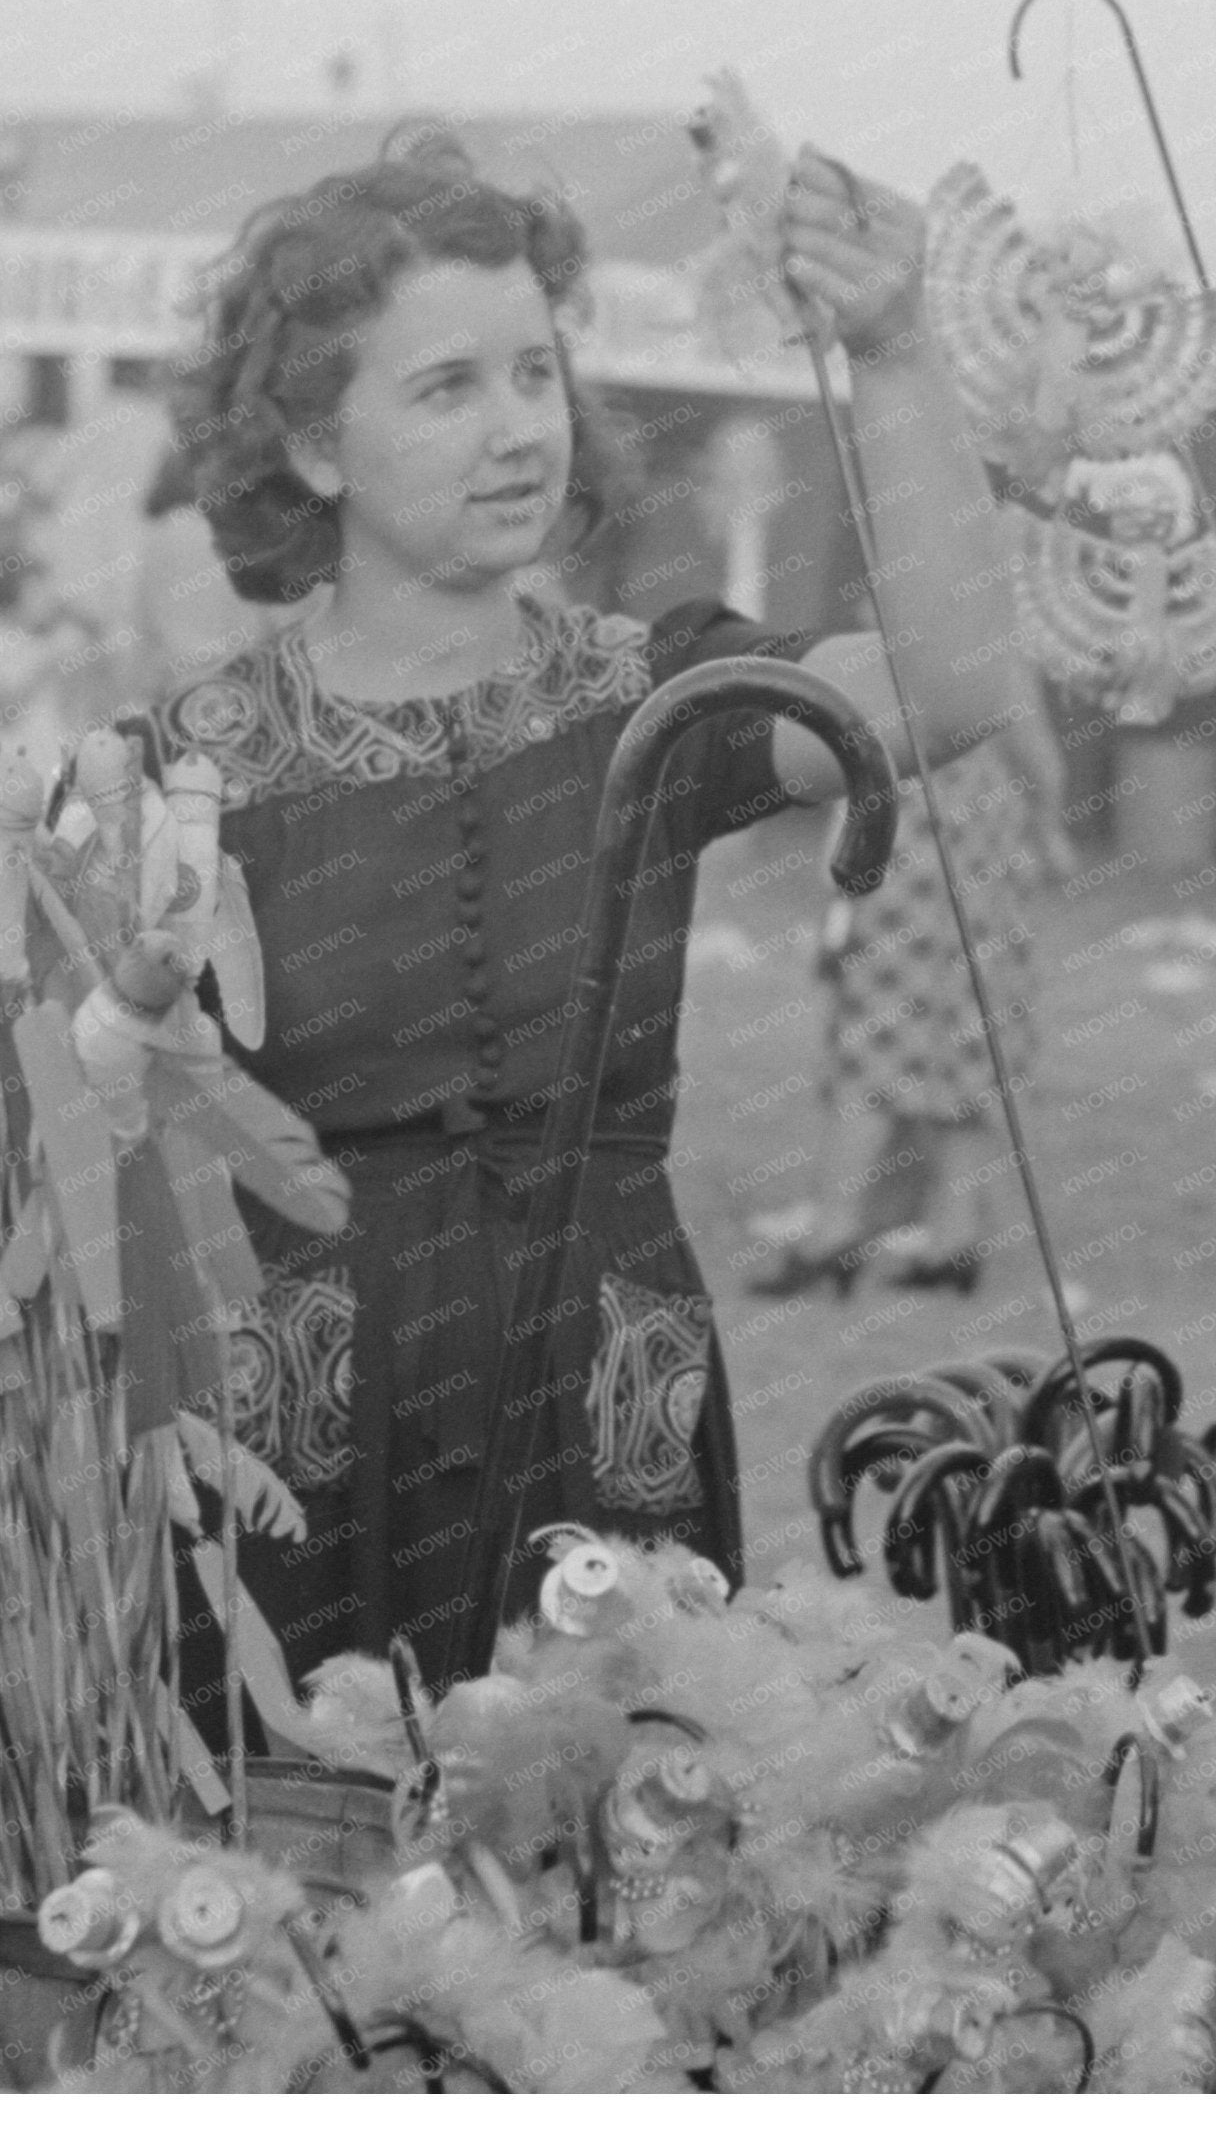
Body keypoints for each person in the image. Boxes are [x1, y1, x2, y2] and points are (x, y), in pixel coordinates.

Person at [148, 130, 1015, 1690]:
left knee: (637, 1857)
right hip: (311, 1432)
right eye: (446, 387)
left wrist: (891, 350)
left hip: (616, 1386)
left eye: (535, 373)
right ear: (317, 446)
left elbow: (948, 692)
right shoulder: (193, 765)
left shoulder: (654, 691)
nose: (516, 430)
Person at [744, 683, 1077, 1299]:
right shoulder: (976, 626)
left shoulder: (949, 630)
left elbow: (1022, 728)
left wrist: (1048, 814)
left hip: (922, 837)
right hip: (969, 839)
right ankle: (953, 1236)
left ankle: (838, 1230)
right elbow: (1030, 743)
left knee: (881, 1032)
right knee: (969, 1036)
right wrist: (1045, 821)